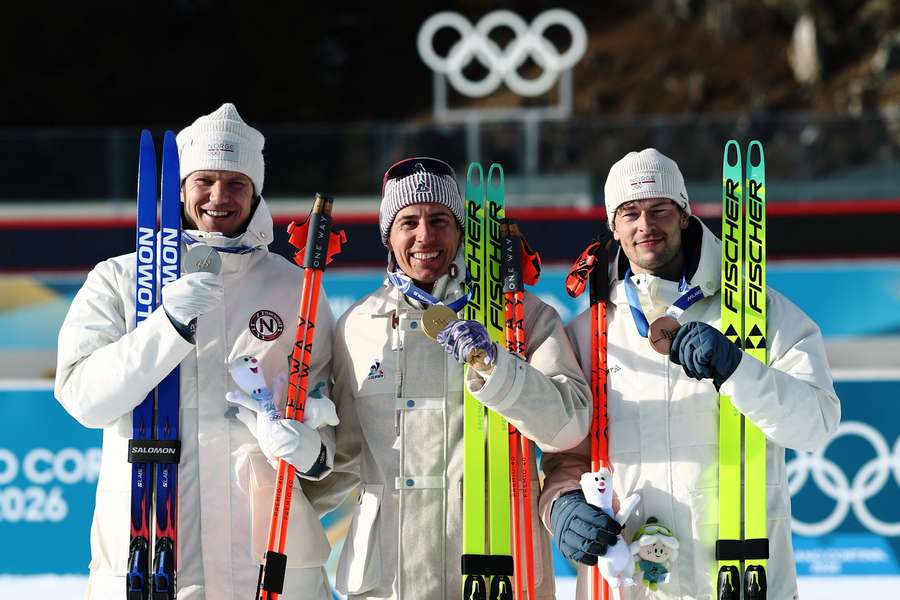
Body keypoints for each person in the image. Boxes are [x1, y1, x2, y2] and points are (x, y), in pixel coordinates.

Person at [55, 103, 337, 599]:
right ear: (181, 187)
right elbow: (84, 400)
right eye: (204, 180)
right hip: (152, 556)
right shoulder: (118, 279)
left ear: (256, 191)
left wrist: (312, 449)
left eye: (236, 183)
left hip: (271, 566)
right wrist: (166, 326)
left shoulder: (297, 288)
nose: (219, 197)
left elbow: (329, 421)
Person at [540, 148, 841, 600]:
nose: (646, 225)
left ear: (683, 215)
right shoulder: (589, 331)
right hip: (631, 582)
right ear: (613, 226)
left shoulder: (759, 311)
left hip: (742, 576)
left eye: (660, 209)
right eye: (630, 213)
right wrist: (560, 505)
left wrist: (738, 369)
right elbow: (566, 458)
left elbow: (817, 424)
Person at [302, 157, 592, 599]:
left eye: (439, 219)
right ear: (388, 235)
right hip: (390, 578)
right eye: (408, 222)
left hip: (495, 569)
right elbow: (345, 459)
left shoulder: (523, 316)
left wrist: (496, 366)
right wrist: (271, 508)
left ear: (459, 231)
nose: (425, 235)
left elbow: (570, 424)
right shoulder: (357, 326)